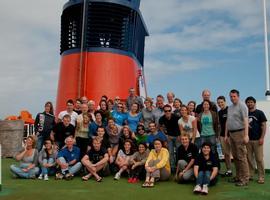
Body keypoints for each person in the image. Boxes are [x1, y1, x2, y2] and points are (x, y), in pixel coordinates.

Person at [225, 89, 249, 186]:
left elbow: (246, 120)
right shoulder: (230, 107)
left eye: (234, 96)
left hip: (240, 133)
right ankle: (238, 177)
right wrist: (226, 135)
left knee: (241, 157)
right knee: (235, 157)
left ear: (238, 96)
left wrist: (246, 135)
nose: (232, 98)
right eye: (231, 96)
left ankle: (245, 179)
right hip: (231, 134)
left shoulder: (242, 105)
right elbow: (228, 121)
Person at [245, 96, 267, 184]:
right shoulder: (245, 113)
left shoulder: (260, 113)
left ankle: (261, 176)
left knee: (259, 159)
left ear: (254, 103)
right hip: (248, 141)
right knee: (249, 159)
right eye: (248, 102)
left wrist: (262, 138)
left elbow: (264, 126)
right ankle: (251, 174)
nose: (249, 104)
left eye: (251, 102)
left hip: (258, 140)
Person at [159, 104, 181, 172]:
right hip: (169, 137)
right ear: (164, 111)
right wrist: (165, 135)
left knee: (178, 152)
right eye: (166, 111)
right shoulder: (162, 118)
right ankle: (172, 168)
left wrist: (180, 136)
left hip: (178, 137)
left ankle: (179, 167)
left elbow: (180, 126)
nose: (167, 112)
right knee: (170, 152)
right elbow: (160, 126)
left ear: (171, 111)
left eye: (169, 110)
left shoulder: (176, 117)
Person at [217, 96, 232, 177]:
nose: (220, 104)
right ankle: (229, 170)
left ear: (225, 101)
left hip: (231, 135)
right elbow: (219, 125)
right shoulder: (219, 113)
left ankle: (241, 171)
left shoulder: (230, 109)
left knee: (236, 154)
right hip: (223, 136)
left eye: (221, 102)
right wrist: (219, 135)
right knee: (226, 154)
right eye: (218, 103)